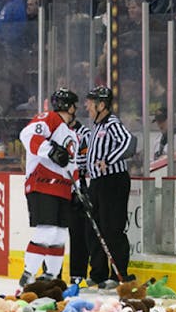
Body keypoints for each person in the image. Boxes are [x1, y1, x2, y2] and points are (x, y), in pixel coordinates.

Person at [17, 88, 81, 286]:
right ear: (69, 107)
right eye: (74, 106)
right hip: (42, 184)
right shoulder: (50, 118)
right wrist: (51, 150)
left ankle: (51, 278)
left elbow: (72, 164)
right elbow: (27, 134)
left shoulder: (72, 134)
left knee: (60, 234)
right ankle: (27, 275)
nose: (76, 110)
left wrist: (78, 189)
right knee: (47, 230)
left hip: (62, 188)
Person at [84, 86, 135, 289]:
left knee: (111, 228)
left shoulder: (112, 123)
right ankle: (98, 273)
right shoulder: (96, 126)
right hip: (96, 183)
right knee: (93, 228)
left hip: (113, 182)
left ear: (102, 105)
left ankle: (118, 274)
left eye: (91, 101)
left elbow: (129, 142)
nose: (86, 105)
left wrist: (109, 159)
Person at [67, 116, 92, 285]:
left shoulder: (85, 134)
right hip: (58, 187)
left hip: (77, 187)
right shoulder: (55, 133)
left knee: (78, 233)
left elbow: (85, 162)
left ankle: (77, 273)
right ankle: (52, 273)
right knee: (54, 233)